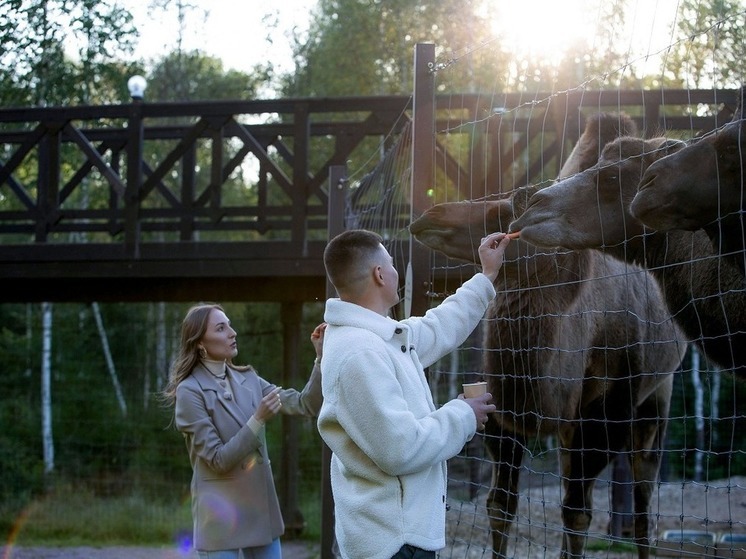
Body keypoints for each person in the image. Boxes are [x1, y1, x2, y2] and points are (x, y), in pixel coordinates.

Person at [317, 229, 511, 559]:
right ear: (379, 274)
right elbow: (400, 449)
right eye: (391, 263)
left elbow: (440, 326)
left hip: (394, 533)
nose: (395, 269)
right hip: (395, 543)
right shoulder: (360, 353)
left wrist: (486, 274)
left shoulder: (375, 338)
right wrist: (464, 414)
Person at [162, 302, 326, 559]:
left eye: (230, 324)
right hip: (218, 518)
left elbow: (306, 404)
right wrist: (258, 419)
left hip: (260, 512)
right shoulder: (189, 391)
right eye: (221, 328)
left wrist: (320, 358)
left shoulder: (248, 378)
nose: (232, 332)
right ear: (200, 344)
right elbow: (218, 460)